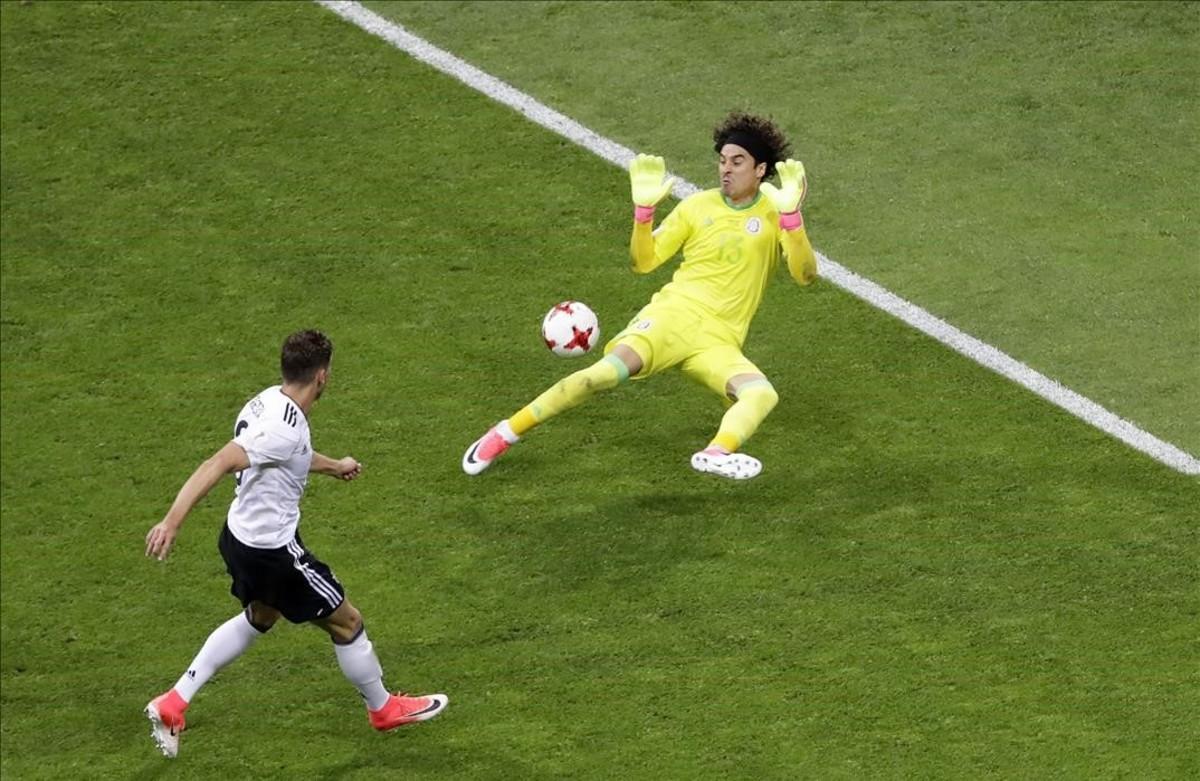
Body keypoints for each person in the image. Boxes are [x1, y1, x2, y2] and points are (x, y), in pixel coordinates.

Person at [463, 112, 817, 480]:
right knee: (598, 377)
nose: (725, 169)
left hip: (719, 341)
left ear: (761, 169)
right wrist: (643, 214)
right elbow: (643, 262)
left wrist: (793, 218)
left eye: (737, 161)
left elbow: (804, 275)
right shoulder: (697, 207)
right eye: (722, 160)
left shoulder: (777, 215)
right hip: (671, 317)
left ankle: (716, 452)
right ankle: (504, 433)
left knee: (762, 394)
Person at [143, 329, 447, 759]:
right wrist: (172, 521)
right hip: (274, 552)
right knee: (348, 623)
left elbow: (291, 453)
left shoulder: (269, 401)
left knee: (261, 616)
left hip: (238, 538)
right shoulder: (281, 429)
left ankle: (174, 702)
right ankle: (383, 709)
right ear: (322, 376)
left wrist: (334, 465)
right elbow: (220, 461)